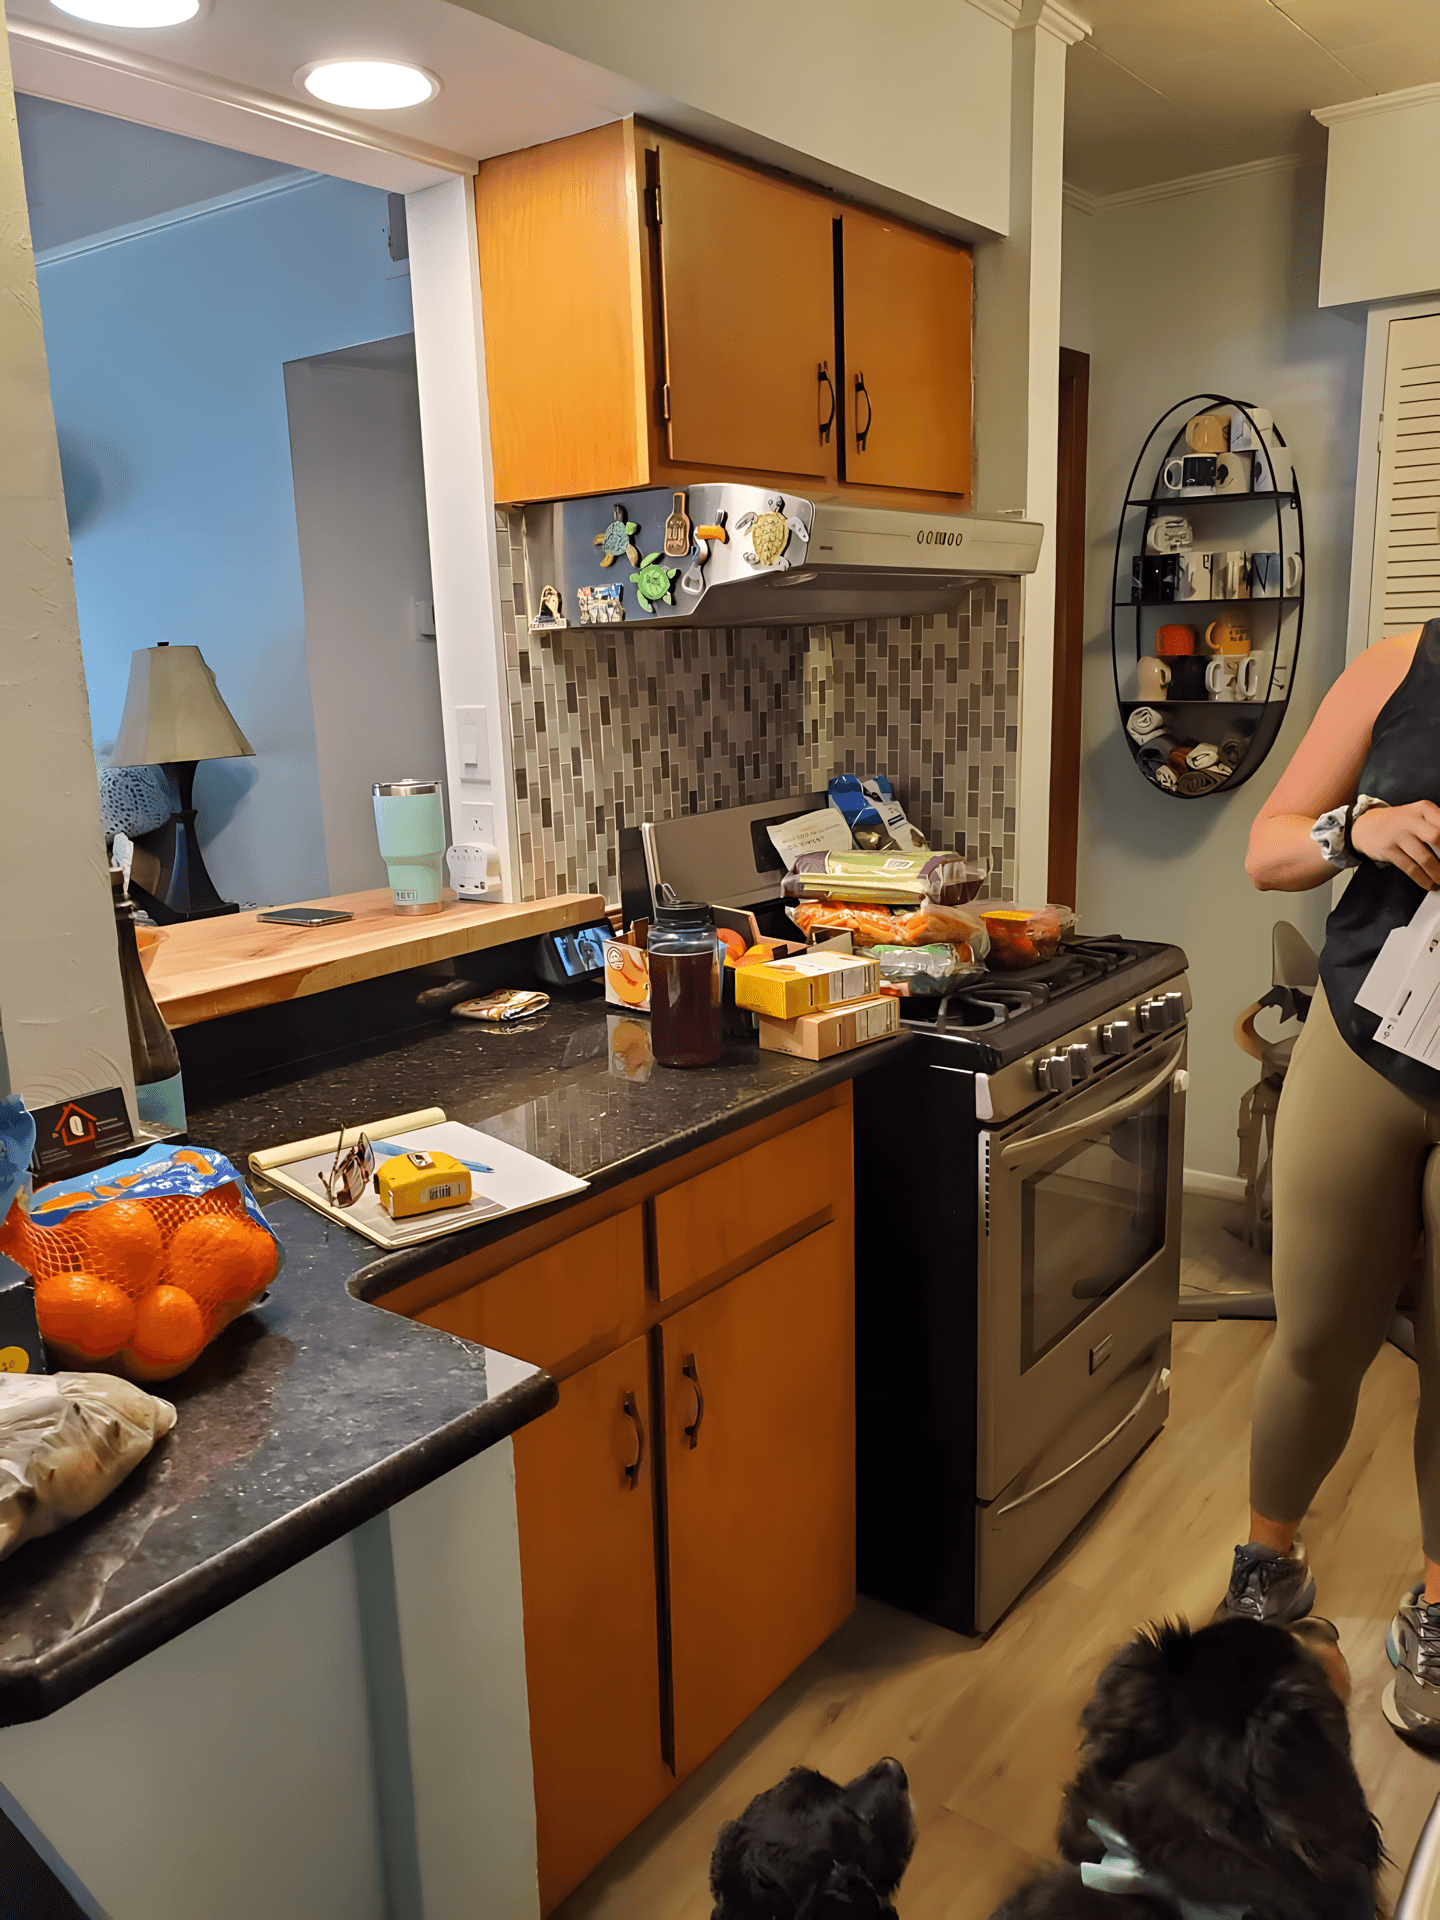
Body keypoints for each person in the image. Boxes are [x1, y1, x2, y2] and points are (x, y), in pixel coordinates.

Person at [1219, 618, 1440, 1744]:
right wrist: (1366, 825)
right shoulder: (1404, 662)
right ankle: (1269, 1563)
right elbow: (1267, 851)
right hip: (1370, 1040)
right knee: (1314, 1341)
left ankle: (1439, 1610)